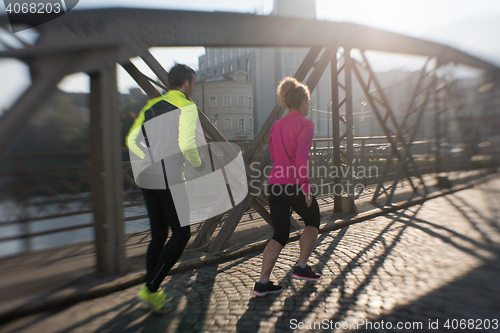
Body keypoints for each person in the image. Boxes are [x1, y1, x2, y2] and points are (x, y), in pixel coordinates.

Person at [126, 64, 205, 313]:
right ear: (186, 83)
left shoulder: (150, 106)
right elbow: (187, 143)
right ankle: (150, 288)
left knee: (159, 235)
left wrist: (146, 157)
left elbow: (131, 139)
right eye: (193, 82)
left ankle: (153, 294)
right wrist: (198, 165)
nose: (193, 87)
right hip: (169, 177)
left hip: (147, 177)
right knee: (182, 235)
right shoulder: (187, 106)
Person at [253, 77, 321, 297]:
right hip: (293, 183)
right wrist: (306, 186)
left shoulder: (277, 124)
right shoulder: (305, 124)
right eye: (308, 103)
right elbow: (301, 156)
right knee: (313, 220)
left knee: (280, 234)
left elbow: (273, 155)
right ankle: (301, 267)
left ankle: (262, 282)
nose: (308, 107)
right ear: (303, 103)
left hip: (275, 183)